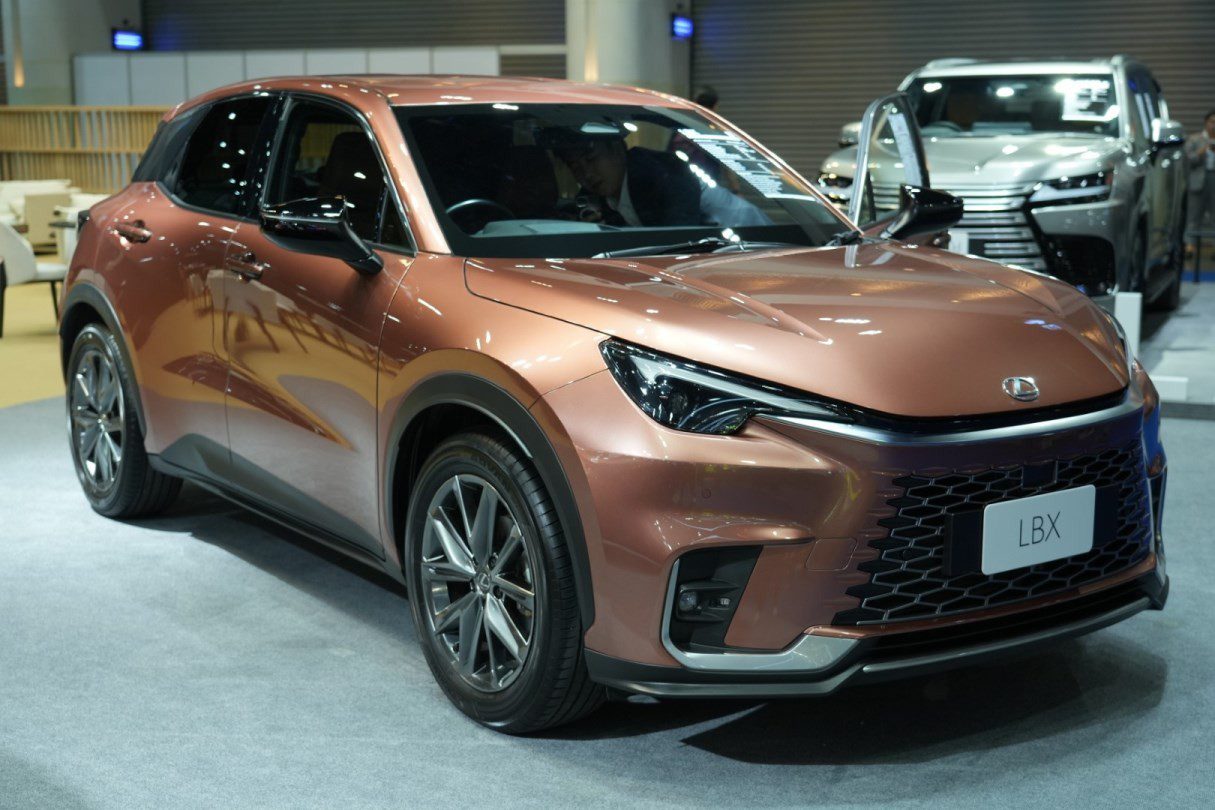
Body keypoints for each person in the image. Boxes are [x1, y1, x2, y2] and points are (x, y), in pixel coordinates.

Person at [552, 133, 701, 227]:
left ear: (618, 149)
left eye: (591, 159)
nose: (587, 174)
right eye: (575, 167)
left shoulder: (664, 175)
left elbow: (679, 242)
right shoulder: (589, 200)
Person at [1185, 110, 1215, 258]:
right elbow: (1188, 160)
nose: (1214, 126)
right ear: (1206, 123)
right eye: (1212, 122)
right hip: (1198, 180)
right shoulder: (1195, 139)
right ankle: (1190, 246)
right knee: (1193, 215)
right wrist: (1201, 151)